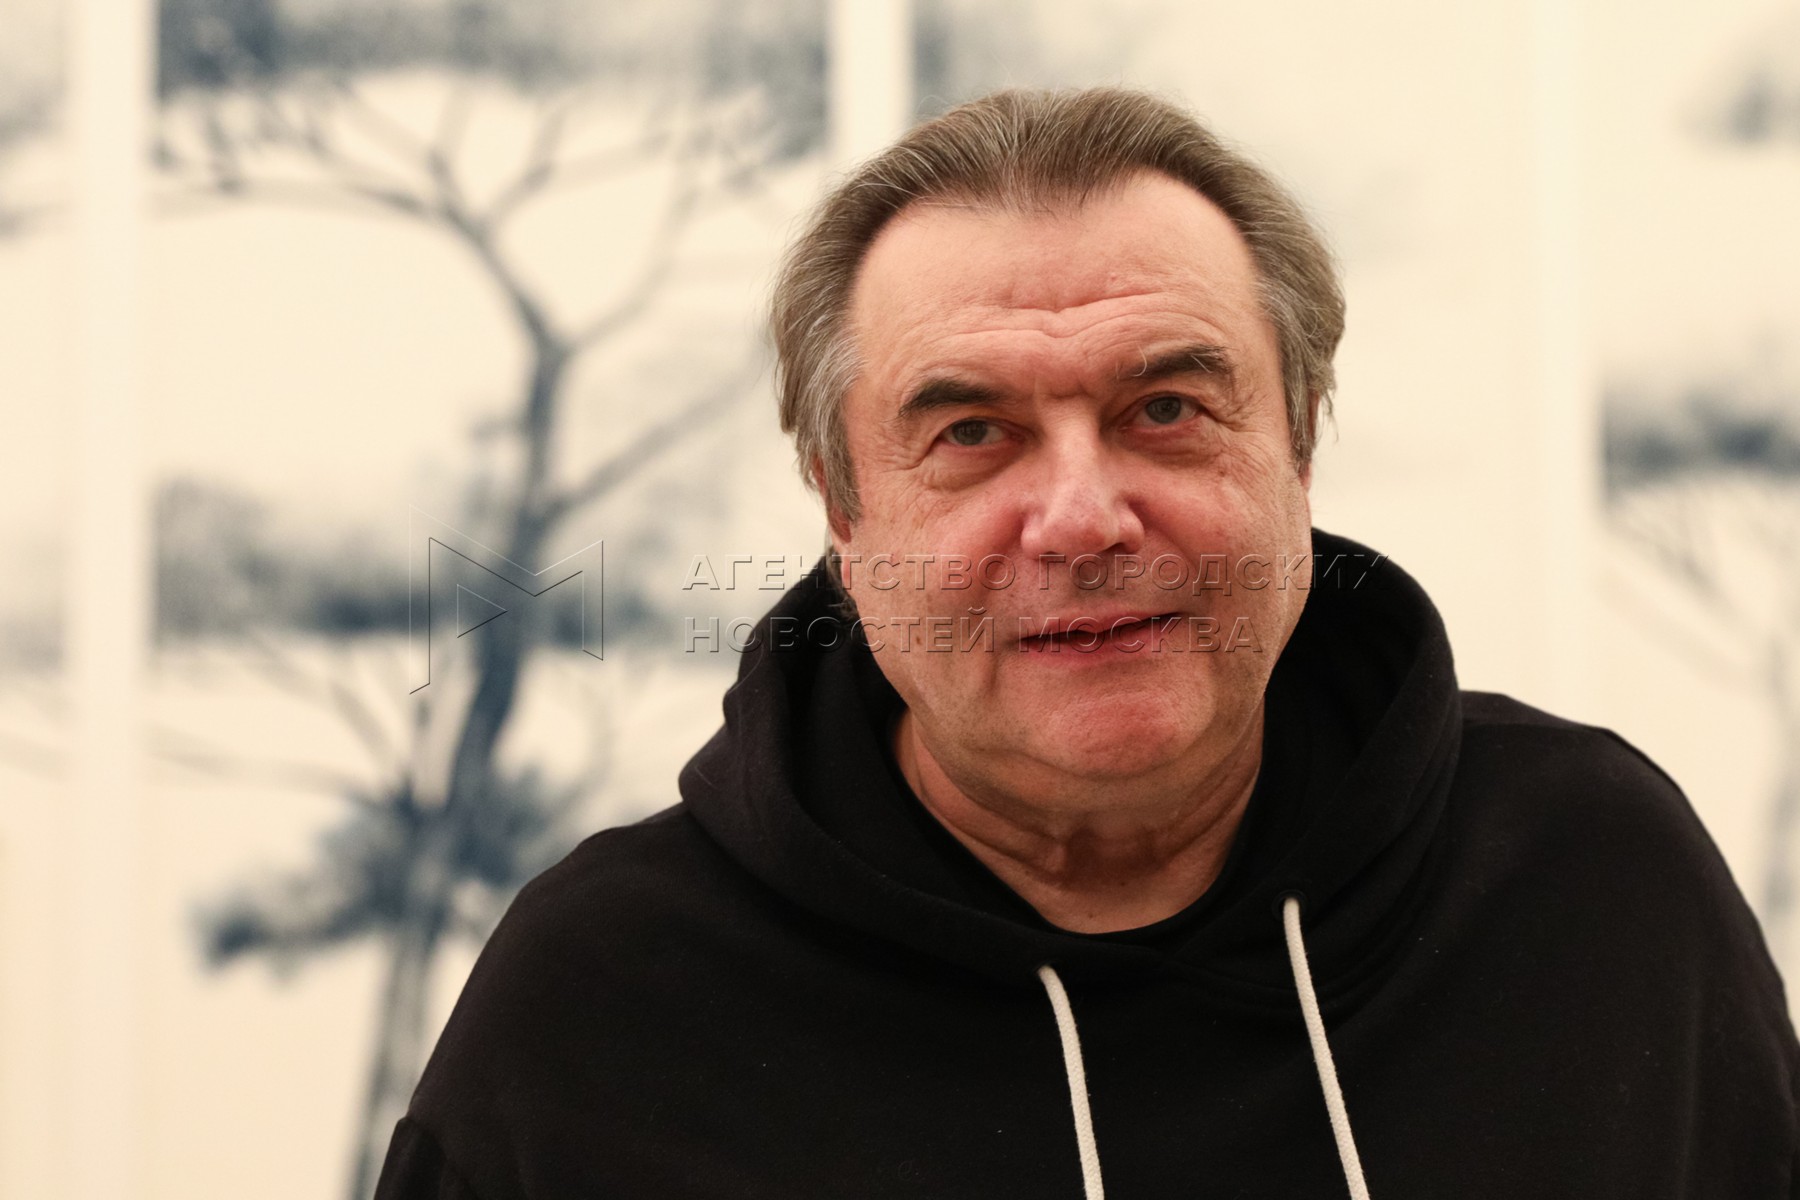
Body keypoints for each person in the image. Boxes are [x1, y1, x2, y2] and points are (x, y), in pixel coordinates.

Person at [375, 88, 1799, 1199]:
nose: (1080, 517)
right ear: (845, 512)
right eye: (972, 432)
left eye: (1165, 410)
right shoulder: (602, 1010)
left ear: (1300, 448)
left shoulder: (1595, 886)